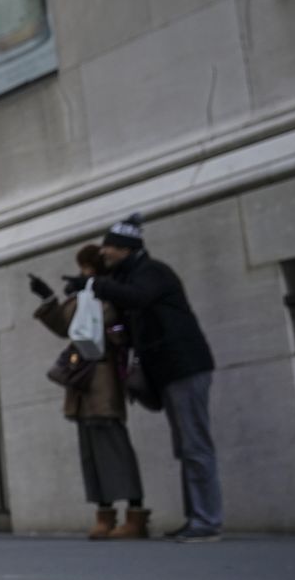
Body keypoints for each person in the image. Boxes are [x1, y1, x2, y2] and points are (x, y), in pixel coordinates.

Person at [93, 214, 222, 542]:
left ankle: (206, 522)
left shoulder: (152, 272)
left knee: (195, 445)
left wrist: (95, 285)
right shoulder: (130, 279)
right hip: (170, 370)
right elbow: (127, 321)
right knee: (186, 447)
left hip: (184, 367)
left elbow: (138, 298)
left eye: (108, 246)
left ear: (125, 248)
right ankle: (197, 518)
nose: (103, 252)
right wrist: (116, 329)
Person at [32, 247, 147, 540]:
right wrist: (48, 298)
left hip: (102, 378)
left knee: (113, 445)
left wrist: (112, 329)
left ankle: (134, 513)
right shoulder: (83, 296)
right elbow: (66, 326)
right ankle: (104, 513)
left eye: (85, 267)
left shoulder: (111, 293)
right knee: (91, 453)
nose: (82, 272)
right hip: (83, 383)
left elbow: (119, 325)